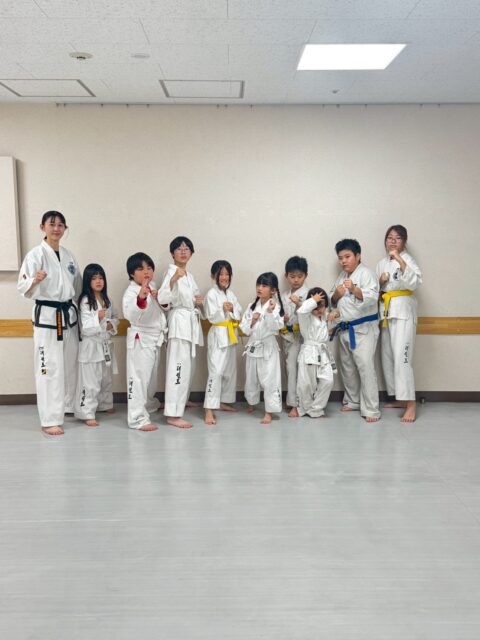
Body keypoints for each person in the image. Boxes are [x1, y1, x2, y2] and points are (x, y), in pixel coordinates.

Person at [17, 210, 82, 436]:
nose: (56, 228)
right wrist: (35, 280)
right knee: (48, 368)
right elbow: (22, 286)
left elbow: (77, 287)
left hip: (68, 316)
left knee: (69, 365)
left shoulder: (69, 255)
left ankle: (67, 406)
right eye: (52, 224)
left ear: (65, 229)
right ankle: (49, 419)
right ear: (42, 227)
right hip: (47, 316)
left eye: (61, 225)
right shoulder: (35, 255)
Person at [329, 239, 381, 423]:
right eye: (340, 257)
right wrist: (337, 294)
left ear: (358, 256)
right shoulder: (341, 276)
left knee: (365, 367)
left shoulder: (367, 274)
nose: (343, 261)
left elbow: (372, 298)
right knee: (348, 367)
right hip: (344, 328)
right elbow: (332, 300)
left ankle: (372, 409)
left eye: (347, 256)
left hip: (363, 328)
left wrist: (353, 289)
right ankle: (353, 401)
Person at [376, 225, 422, 423]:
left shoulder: (408, 259)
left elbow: (414, 282)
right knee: (387, 357)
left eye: (398, 238)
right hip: (386, 313)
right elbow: (375, 291)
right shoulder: (381, 263)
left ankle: (410, 403)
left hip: (403, 312)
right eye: (389, 238)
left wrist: (400, 260)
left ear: (404, 242)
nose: (393, 241)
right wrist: (380, 281)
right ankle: (399, 398)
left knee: (402, 359)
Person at [159, 236, 204, 429]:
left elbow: (193, 298)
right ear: (172, 253)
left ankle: (181, 400)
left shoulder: (189, 275)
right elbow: (162, 299)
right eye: (179, 248)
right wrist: (173, 280)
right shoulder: (171, 272)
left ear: (191, 253)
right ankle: (173, 413)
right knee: (177, 367)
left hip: (190, 324)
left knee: (188, 368)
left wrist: (198, 302)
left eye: (187, 249)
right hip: (178, 323)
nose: (183, 251)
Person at [122, 252, 169, 431]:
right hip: (141, 338)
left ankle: (148, 405)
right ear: (132, 273)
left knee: (150, 378)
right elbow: (130, 314)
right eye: (141, 269)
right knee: (138, 379)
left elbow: (163, 309)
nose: (146, 272)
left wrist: (158, 297)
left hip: (155, 338)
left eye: (149, 268)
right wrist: (141, 298)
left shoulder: (153, 286)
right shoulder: (131, 292)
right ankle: (137, 418)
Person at [74, 263, 119, 427]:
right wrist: (98, 318)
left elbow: (115, 318)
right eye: (94, 278)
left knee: (105, 378)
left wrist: (111, 325)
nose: (98, 281)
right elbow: (85, 326)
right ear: (88, 281)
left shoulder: (107, 299)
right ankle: (86, 412)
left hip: (104, 344)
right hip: (91, 345)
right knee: (91, 381)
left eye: (101, 278)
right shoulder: (85, 301)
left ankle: (105, 404)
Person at [240, 272, 284, 425]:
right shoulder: (251, 306)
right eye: (258, 285)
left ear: (273, 290)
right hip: (253, 345)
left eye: (264, 285)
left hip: (268, 346)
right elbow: (244, 329)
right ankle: (251, 402)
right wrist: (252, 321)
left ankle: (269, 411)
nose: (260, 288)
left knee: (270, 379)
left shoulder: (276, 307)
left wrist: (270, 313)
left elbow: (276, 327)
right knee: (251, 377)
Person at [203, 260, 242, 425]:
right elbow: (209, 315)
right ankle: (209, 408)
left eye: (227, 274)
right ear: (214, 276)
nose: (224, 277)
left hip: (230, 334)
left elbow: (239, 311)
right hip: (218, 334)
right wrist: (222, 310)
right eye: (221, 274)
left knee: (229, 371)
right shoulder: (211, 294)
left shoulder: (231, 294)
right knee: (216, 372)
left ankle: (222, 401)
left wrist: (232, 309)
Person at [293, 288, 335, 419]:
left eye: (322, 306)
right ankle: (305, 409)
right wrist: (313, 300)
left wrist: (336, 313)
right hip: (309, 351)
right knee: (307, 384)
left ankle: (316, 409)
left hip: (322, 352)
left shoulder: (324, 316)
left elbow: (335, 315)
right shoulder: (305, 317)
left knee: (328, 380)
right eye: (316, 306)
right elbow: (301, 310)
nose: (319, 310)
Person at [280, 256, 309, 418]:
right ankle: (291, 399)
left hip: (301, 337)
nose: (296, 280)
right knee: (289, 369)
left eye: (299, 276)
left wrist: (299, 303)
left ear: (305, 276)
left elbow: (313, 312)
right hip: (286, 336)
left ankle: (296, 404)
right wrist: (282, 318)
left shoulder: (308, 294)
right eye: (292, 276)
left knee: (295, 369)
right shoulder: (283, 295)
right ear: (286, 276)